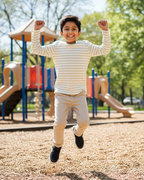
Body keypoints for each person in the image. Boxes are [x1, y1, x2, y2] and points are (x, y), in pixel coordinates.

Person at [31, 15, 111, 163]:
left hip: (79, 93)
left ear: (79, 32)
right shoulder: (57, 47)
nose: (70, 31)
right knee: (59, 123)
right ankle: (57, 145)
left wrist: (105, 31)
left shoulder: (85, 46)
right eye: (66, 29)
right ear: (61, 33)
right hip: (61, 93)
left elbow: (104, 49)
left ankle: (77, 132)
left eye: (74, 29)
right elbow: (36, 48)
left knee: (85, 122)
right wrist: (36, 30)